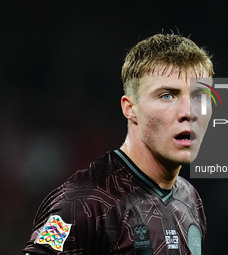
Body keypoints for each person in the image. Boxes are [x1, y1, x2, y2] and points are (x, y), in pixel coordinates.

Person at [23, 33, 213, 255]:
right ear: (130, 109)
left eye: (199, 96)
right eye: (167, 96)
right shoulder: (84, 202)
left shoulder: (190, 199)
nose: (188, 112)